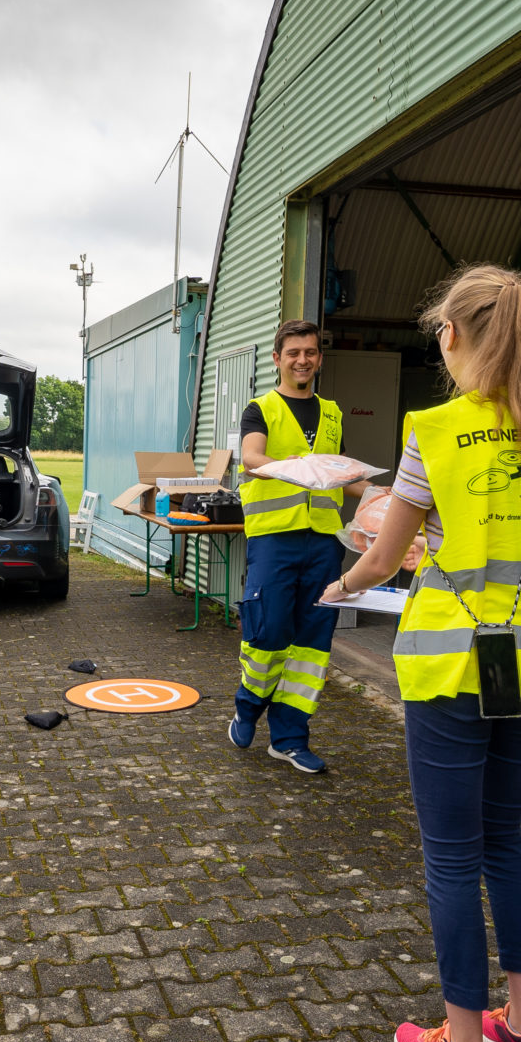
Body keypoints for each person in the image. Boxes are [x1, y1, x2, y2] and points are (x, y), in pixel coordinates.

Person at [323, 265, 521, 1042]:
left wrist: (340, 579)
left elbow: (380, 555)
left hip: (453, 661)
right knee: (503, 838)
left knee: (450, 855)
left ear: (452, 336)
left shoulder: (434, 429)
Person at [229, 319, 367, 774]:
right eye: (293, 353)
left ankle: (289, 739)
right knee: (268, 631)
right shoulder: (261, 408)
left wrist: (387, 500)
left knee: (312, 642)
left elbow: (343, 477)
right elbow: (251, 458)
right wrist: (287, 467)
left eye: (310, 352)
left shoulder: (332, 413)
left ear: (319, 359)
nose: (302, 359)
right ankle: (248, 706)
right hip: (274, 539)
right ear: (277, 359)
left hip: (325, 543)